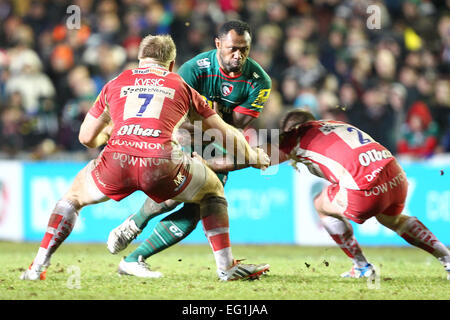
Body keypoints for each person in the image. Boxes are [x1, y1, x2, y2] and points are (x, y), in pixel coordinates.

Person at [20, 34, 270, 282]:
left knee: (72, 198)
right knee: (213, 189)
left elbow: (86, 138)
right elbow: (223, 132)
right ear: (171, 64)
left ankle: (37, 267)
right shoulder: (181, 85)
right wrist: (252, 155)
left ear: (140, 59)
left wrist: (110, 135)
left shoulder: (115, 82)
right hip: (161, 164)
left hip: (117, 160)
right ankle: (226, 268)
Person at [107, 20, 272, 276]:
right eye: (232, 49)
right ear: (218, 44)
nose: (238, 55)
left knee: (196, 208)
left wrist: (215, 150)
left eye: (244, 49)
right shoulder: (194, 69)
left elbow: (236, 124)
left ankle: (134, 249)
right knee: (176, 194)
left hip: (220, 142)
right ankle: (135, 228)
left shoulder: (259, 80)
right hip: (184, 136)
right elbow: (176, 118)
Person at [270, 109, 449, 279]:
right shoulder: (334, 124)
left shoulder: (297, 137)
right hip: (395, 174)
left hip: (364, 189)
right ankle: (447, 259)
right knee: (391, 219)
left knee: (320, 203)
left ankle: (362, 266)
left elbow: (258, 158)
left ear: (292, 129)